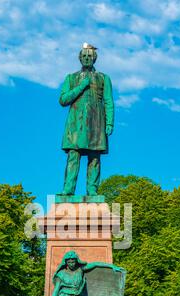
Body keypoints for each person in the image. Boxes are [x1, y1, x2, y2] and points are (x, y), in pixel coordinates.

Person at [59, 43, 114, 196]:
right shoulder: (71, 78)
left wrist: (109, 122)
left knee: (94, 156)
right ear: (80, 58)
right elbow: (63, 99)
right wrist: (81, 86)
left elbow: (108, 101)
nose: (87, 59)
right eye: (84, 56)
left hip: (96, 121)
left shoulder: (103, 78)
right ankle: (68, 190)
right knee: (73, 154)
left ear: (94, 58)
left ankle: (92, 190)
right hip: (76, 122)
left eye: (90, 56)